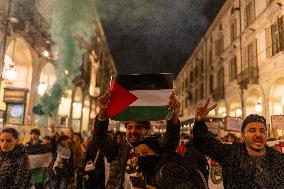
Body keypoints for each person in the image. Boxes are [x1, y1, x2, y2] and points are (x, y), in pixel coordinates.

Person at [94, 90, 181, 189]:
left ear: (147, 131)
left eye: (138, 127)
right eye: (129, 127)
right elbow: (100, 137)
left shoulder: (156, 147)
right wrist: (103, 111)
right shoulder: (118, 150)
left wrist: (174, 114)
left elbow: (170, 140)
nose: (133, 131)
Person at [193, 98, 284, 189]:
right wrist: (200, 122)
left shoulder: (278, 158)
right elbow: (203, 142)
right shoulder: (231, 154)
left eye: (262, 130)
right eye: (252, 131)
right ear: (243, 135)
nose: (258, 134)